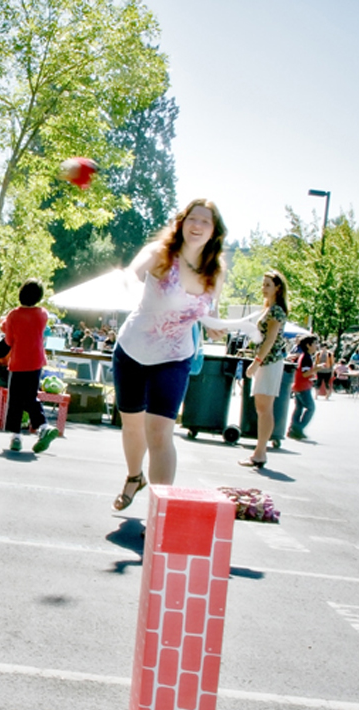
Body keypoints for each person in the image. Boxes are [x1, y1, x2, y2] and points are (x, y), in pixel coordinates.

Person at [110, 199, 229, 510]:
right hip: (134, 349)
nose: (198, 225)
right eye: (193, 218)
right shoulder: (160, 253)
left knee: (160, 432)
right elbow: (130, 274)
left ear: (214, 231)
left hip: (175, 356)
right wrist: (131, 286)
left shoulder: (215, 271)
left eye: (206, 221)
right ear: (182, 221)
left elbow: (209, 313)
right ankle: (134, 477)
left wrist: (216, 326)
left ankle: (159, 511)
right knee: (132, 424)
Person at [1, 279, 61, 454]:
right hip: (36, 361)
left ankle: (16, 436)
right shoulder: (42, 314)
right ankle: (42, 426)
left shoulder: (13, 315)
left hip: (18, 362)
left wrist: (4, 325)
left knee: (15, 400)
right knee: (30, 396)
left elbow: (9, 340)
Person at [239, 271, 288, 468]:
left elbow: (271, 339)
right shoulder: (270, 309)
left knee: (264, 408)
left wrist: (256, 362)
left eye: (268, 284)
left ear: (278, 287)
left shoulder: (276, 311)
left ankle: (260, 453)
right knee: (262, 408)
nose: (263, 288)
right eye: (263, 284)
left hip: (270, 362)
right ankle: (259, 451)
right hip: (267, 362)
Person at [287, 335, 319, 440]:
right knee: (310, 408)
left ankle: (292, 429)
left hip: (298, 385)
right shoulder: (306, 358)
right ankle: (298, 428)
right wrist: (316, 369)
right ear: (308, 345)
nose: (316, 346)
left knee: (298, 409)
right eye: (314, 344)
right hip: (303, 386)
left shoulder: (304, 356)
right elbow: (305, 373)